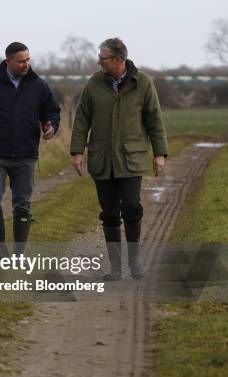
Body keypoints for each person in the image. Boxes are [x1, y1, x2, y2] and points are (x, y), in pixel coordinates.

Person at [70, 38, 168, 281]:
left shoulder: (143, 83)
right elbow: (82, 119)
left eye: (102, 58)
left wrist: (159, 153)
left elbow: (154, 119)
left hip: (131, 158)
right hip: (102, 160)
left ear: (117, 60)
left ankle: (134, 260)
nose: (98, 61)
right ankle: (115, 267)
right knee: (110, 213)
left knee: (132, 207)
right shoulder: (94, 83)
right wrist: (77, 151)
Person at [0, 42, 61, 258]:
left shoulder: (39, 85)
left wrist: (51, 126)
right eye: (21, 61)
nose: (26, 64)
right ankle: (0, 251)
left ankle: (19, 254)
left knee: (23, 206)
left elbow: (52, 111)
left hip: (26, 156)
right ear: (8, 61)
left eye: (28, 60)